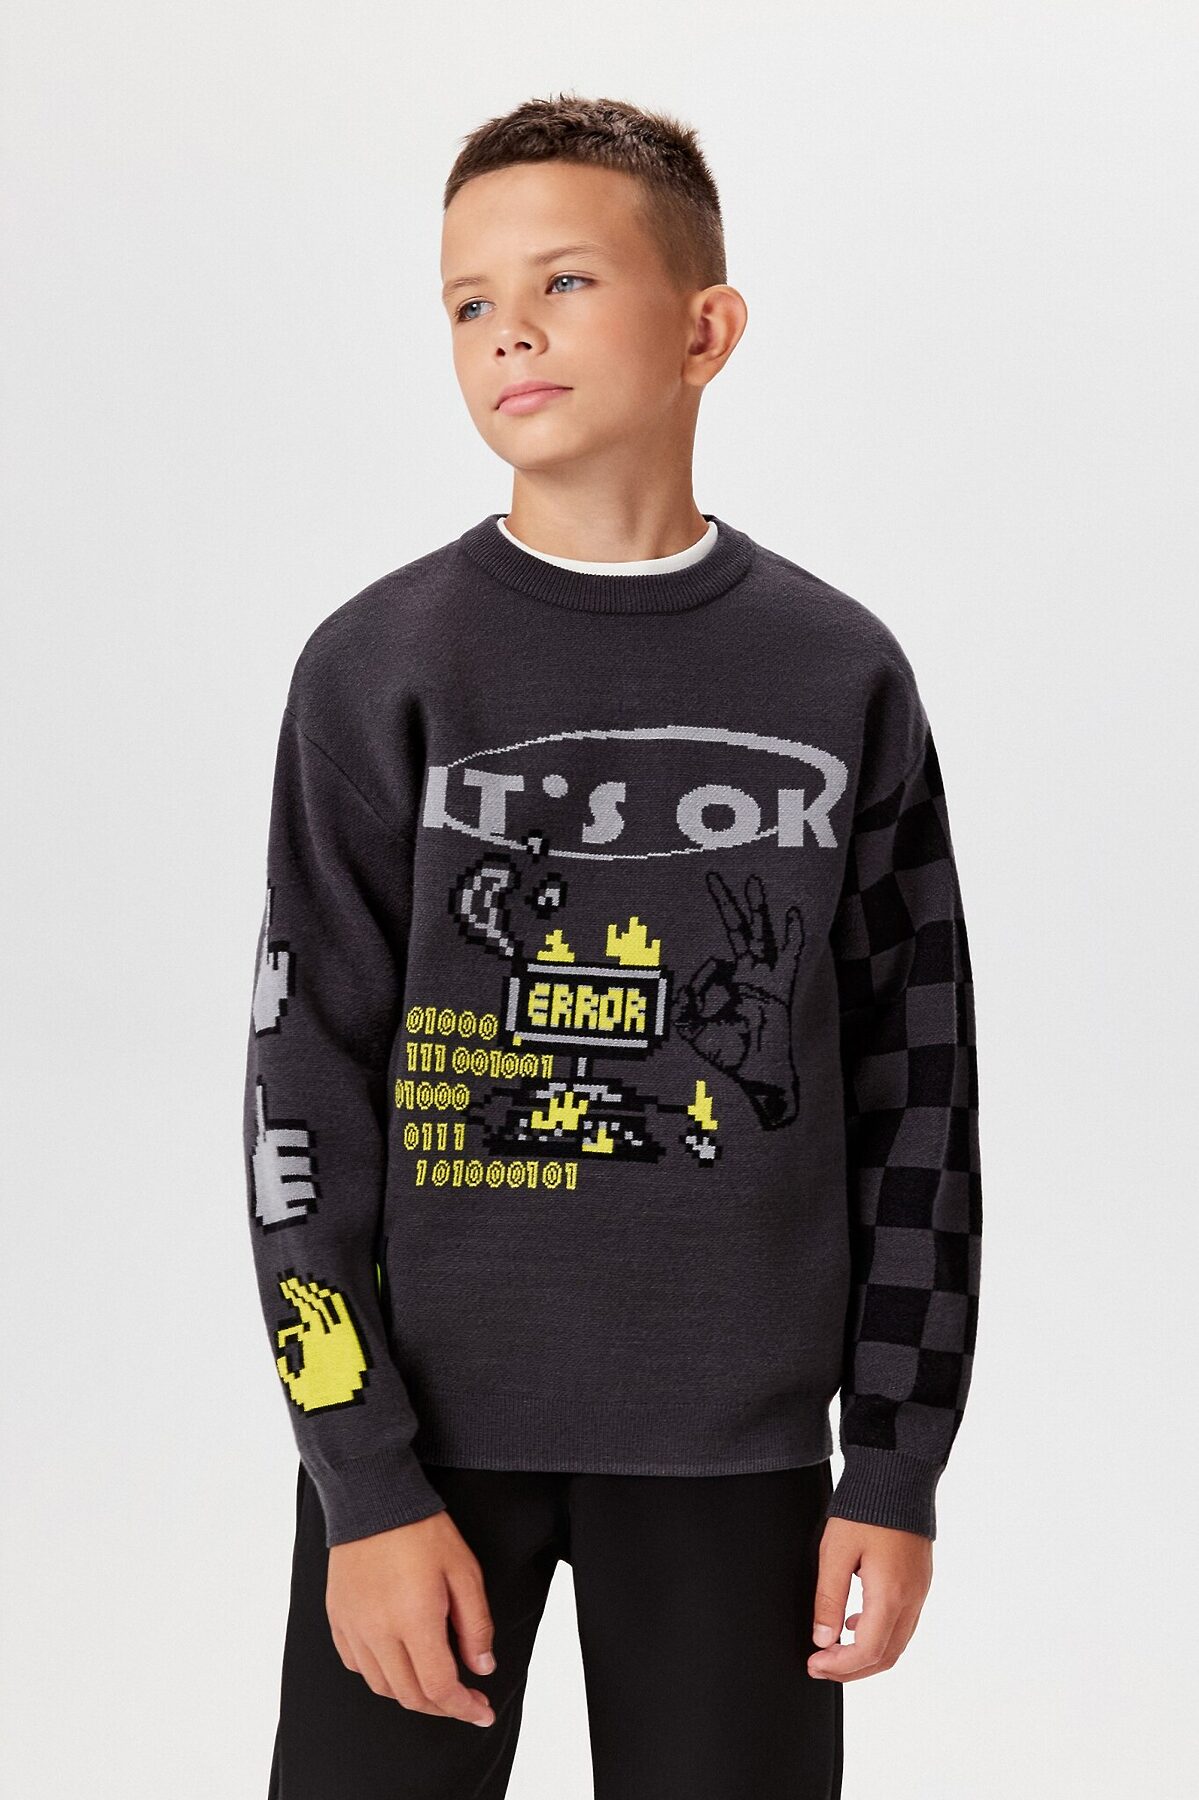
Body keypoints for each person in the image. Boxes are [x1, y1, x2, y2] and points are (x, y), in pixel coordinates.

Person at [243, 92, 982, 1800]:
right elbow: (300, 1101)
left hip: (740, 1455)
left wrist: (894, 1465)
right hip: (425, 1459)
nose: (508, 328)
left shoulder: (838, 675)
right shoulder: (376, 668)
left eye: (564, 281)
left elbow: (921, 1101)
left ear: (705, 330)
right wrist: (359, 1477)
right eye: (468, 301)